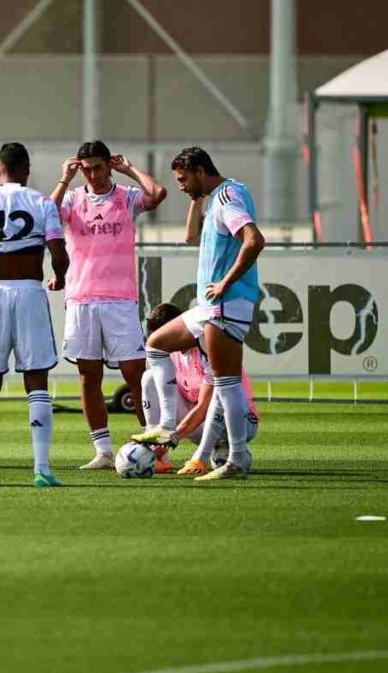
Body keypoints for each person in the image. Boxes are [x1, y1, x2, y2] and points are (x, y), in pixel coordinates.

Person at [132, 146, 265, 481]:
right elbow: (191, 237)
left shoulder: (226, 198)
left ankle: (237, 458)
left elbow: (254, 240)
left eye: (183, 179)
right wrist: (196, 197)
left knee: (226, 383)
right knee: (157, 343)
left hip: (225, 304)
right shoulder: (218, 195)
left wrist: (224, 282)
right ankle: (164, 426)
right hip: (209, 307)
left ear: (200, 170)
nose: (179, 185)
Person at [0, 142, 69, 487]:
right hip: (30, 293)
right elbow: (58, 252)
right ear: (27, 169)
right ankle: (42, 470)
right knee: (37, 379)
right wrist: (60, 277)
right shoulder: (42, 202)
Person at [52, 140, 167, 470]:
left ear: (108, 165)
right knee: (89, 377)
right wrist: (64, 179)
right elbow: (46, 214)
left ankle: (155, 447)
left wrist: (129, 168)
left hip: (119, 300)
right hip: (81, 299)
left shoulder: (126, 196)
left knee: (137, 375)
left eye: (98, 167)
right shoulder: (73, 199)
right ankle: (102, 451)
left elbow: (158, 194)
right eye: (86, 169)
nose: (93, 174)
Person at [140, 303, 260, 475]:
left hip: (239, 421)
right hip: (199, 420)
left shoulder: (208, 345)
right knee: (149, 377)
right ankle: (157, 455)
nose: (163, 341)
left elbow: (205, 406)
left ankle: (212, 453)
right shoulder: (168, 353)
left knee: (217, 398)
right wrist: (159, 441)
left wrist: (169, 440)